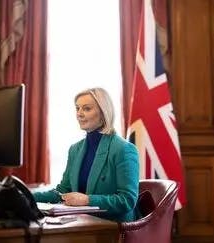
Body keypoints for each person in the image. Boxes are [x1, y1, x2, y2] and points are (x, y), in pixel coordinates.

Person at [33, 87, 139, 222]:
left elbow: (127, 200)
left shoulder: (124, 149)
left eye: (87, 109)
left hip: (113, 228)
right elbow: (62, 192)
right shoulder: (75, 149)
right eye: (77, 108)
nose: (79, 113)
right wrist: (27, 195)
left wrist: (87, 200)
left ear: (103, 112)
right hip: (83, 224)